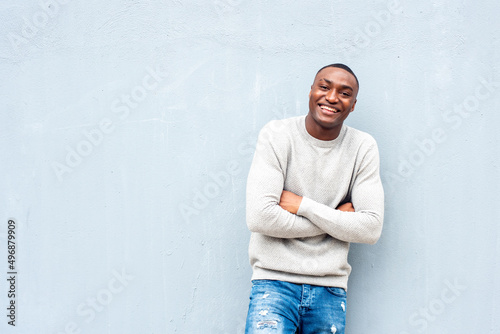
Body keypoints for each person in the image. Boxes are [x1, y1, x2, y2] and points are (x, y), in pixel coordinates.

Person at [244, 63, 384, 334]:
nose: (332, 97)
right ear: (310, 92)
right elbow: (260, 217)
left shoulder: (363, 147)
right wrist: (339, 219)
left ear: (353, 105)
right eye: (324, 87)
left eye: (344, 93)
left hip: (329, 289)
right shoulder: (277, 135)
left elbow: (370, 228)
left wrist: (302, 206)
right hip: (273, 283)